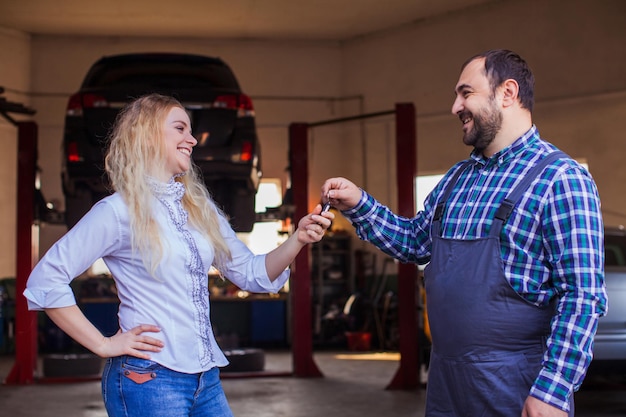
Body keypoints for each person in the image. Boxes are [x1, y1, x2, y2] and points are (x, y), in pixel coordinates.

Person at [321, 49, 607, 417]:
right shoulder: (457, 180)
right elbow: (413, 242)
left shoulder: (561, 179)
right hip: (447, 381)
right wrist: (359, 203)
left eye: (465, 93)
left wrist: (553, 391)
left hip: (517, 384)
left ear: (507, 93)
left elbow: (582, 296)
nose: (455, 106)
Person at [25, 93, 334, 417]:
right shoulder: (117, 211)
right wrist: (103, 344)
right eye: (180, 128)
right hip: (149, 377)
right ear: (147, 135)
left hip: (205, 378)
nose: (191, 140)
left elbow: (250, 273)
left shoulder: (199, 209)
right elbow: (46, 279)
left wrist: (297, 239)